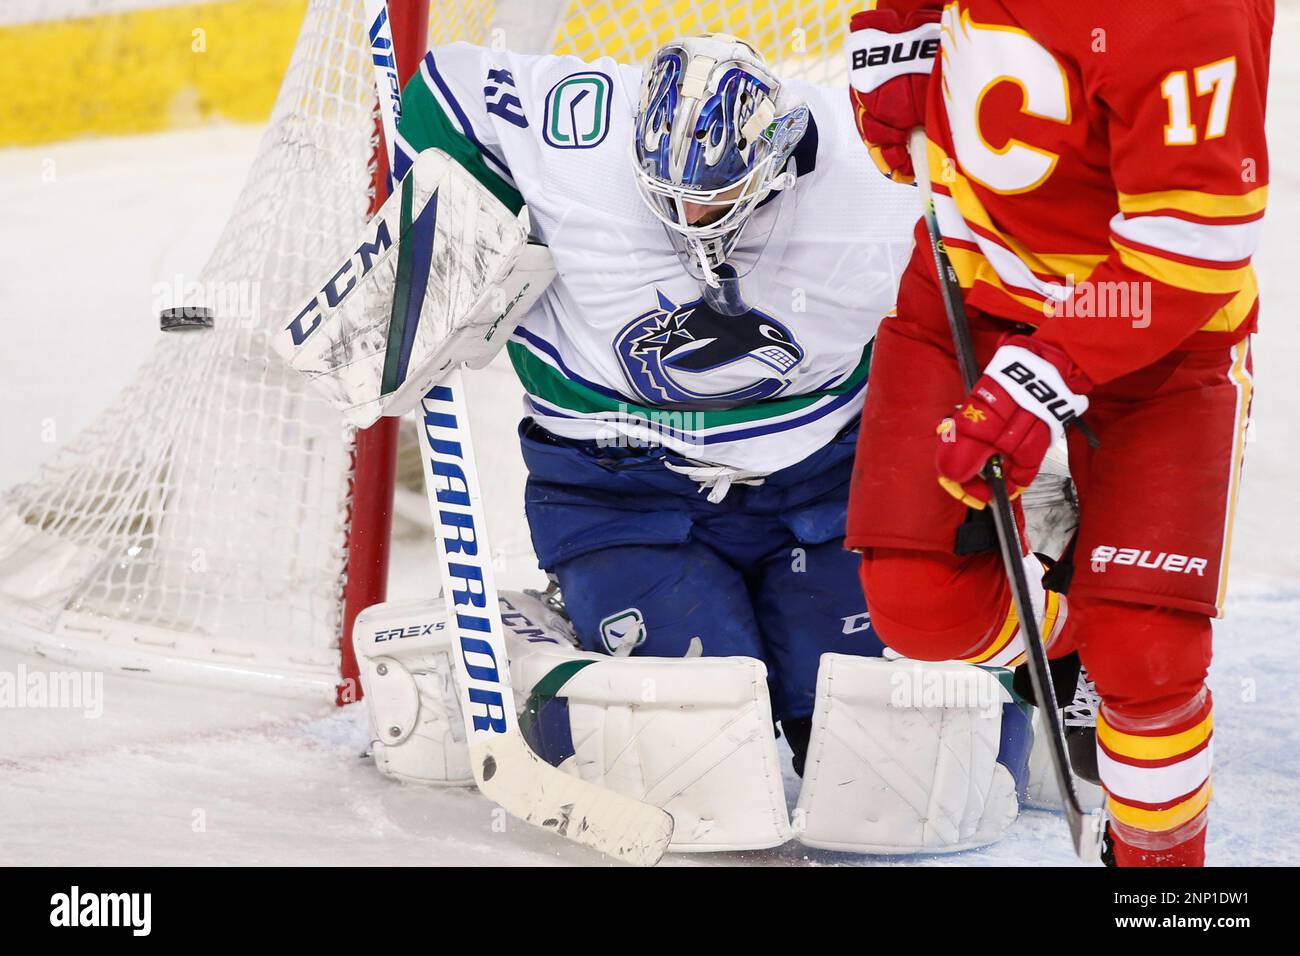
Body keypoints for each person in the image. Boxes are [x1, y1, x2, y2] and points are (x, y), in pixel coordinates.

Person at [388, 32, 919, 770]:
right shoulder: (580, 130)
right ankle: (570, 620)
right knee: (693, 752)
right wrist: (441, 228)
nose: (688, 220)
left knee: (880, 747)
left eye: (710, 200)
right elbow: (442, 90)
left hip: (823, 491)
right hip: (619, 492)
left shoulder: (878, 167)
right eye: (667, 196)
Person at [844, 0, 1271, 864]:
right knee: (919, 607)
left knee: (1149, 660)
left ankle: (1162, 882)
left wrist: (1049, 372)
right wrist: (904, 31)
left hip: (1164, 336)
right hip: (972, 283)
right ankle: (1076, 629)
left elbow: (1193, 249)